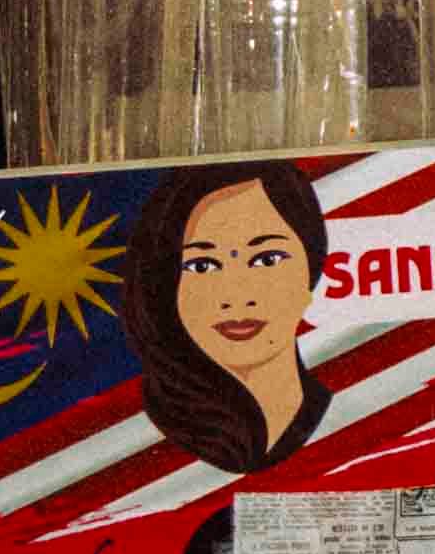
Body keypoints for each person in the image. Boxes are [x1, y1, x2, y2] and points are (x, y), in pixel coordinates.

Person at [115, 162, 347, 480]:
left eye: (267, 259)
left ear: (311, 269)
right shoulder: (139, 437)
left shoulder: (349, 409)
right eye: (203, 266)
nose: (237, 296)